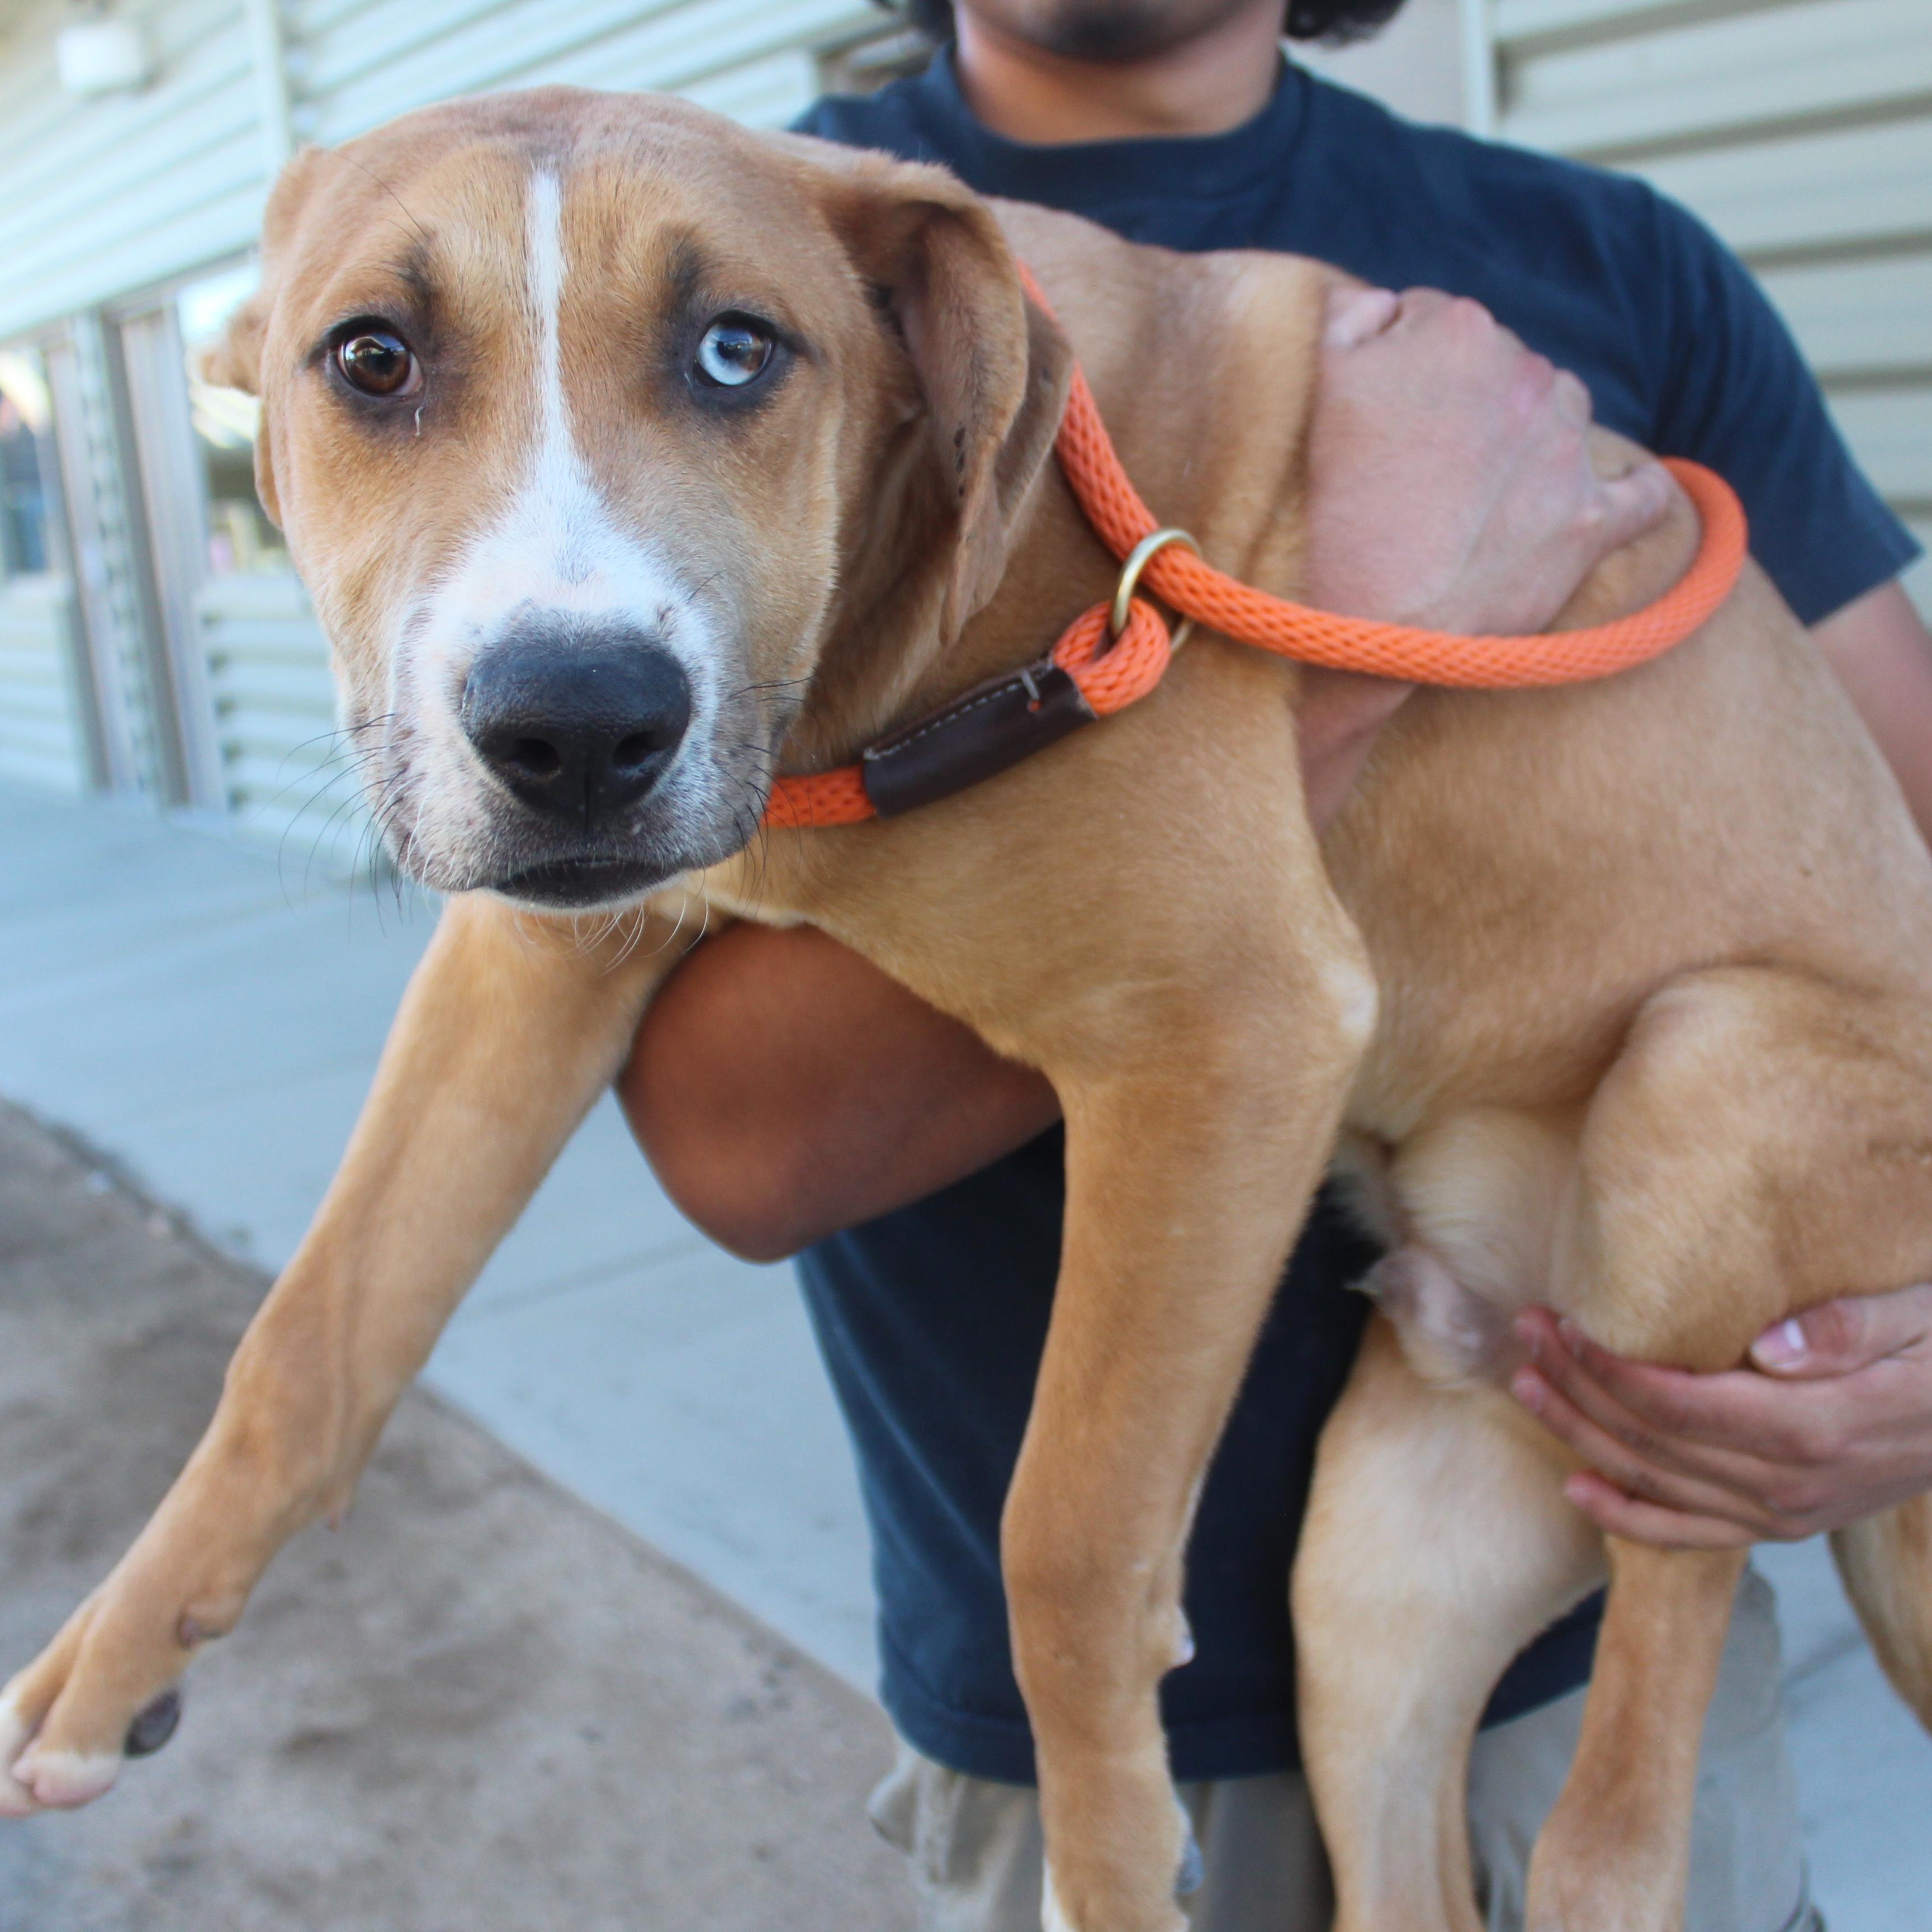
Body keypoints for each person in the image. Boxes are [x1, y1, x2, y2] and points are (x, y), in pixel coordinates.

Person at [619, 3, 1932, 1925]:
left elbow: (1898, 882)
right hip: (1094, 1753)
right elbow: (749, 1152)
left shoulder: (1620, 265)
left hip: (1603, 1615)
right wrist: (1373, 651)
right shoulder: (729, 280)